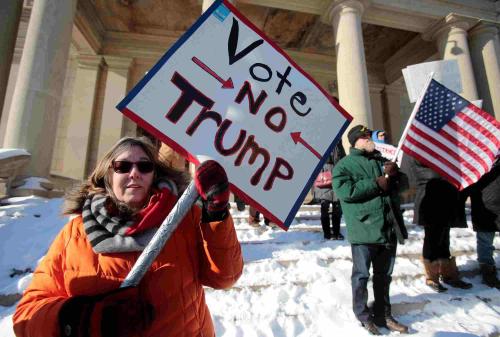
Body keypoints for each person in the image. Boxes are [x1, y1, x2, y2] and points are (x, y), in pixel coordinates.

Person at [13, 137, 243, 337]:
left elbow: (224, 276)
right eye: (123, 166)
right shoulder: (75, 234)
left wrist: (217, 213)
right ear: (107, 175)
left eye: (144, 166)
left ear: (154, 175)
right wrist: (87, 320)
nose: (134, 173)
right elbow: (28, 314)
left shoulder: (185, 218)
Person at [333, 125, 409, 335]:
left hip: (387, 228)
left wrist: (395, 176)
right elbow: (345, 191)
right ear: (356, 141)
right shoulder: (344, 166)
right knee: (361, 276)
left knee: (384, 276)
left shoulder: (381, 160)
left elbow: (403, 186)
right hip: (364, 229)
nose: (369, 139)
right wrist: (377, 183)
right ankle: (363, 315)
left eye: (369, 135)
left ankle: (383, 314)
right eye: (365, 136)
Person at [410, 156, 472, 292]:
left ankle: (448, 273)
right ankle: (432, 276)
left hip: (447, 200)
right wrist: (445, 173)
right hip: (430, 202)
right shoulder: (419, 153)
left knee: (444, 239)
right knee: (432, 239)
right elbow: (423, 174)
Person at [466, 157, 500, 288]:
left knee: (485, 239)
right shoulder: (480, 157)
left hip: (488, 202)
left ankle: (487, 268)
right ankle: (487, 269)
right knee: (485, 240)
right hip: (484, 204)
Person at [313, 142, 345, 240]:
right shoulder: (319, 142)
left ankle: (336, 232)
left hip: (336, 177)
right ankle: (326, 233)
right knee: (324, 208)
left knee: (337, 208)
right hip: (323, 178)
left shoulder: (338, 144)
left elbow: (343, 159)